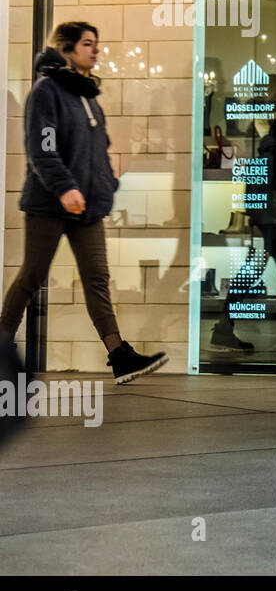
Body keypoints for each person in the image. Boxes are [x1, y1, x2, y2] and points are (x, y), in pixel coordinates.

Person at [0, 23, 168, 386]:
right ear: (67, 49)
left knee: (97, 280)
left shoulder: (88, 96)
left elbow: (99, 153)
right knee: (31, 276)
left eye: (96, 44)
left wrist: (106, 187)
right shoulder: (46, 93)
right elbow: (42, 150)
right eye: (87, 44)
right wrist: (64, 188)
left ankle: (119, 355)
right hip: (49, 204)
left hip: (86, 209)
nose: (95, 51)